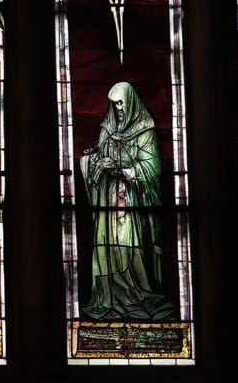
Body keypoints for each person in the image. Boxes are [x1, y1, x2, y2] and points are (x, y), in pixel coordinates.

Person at [79, 81, 175, 320]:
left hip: (131, 202)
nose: (118, 108)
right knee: (107, 250)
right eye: (114, 104)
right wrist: (93, 162)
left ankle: (136, 296)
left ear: (131, 102)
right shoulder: (107, 129)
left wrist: (120, 168)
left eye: (121, 103)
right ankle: (110, 298)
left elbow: (151, 169)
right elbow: (98, 159)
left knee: (129, 247)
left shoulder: (145, 131)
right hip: (108, 204)